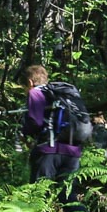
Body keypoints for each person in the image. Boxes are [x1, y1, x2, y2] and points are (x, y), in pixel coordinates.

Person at [22, 64, 86, 195]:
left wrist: (23, 130)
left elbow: (35, 123)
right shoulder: (62, 95)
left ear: (30, 82)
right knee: (68, 198)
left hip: (48, 151)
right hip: (73, 152)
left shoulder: (36, 93)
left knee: (38, 195)